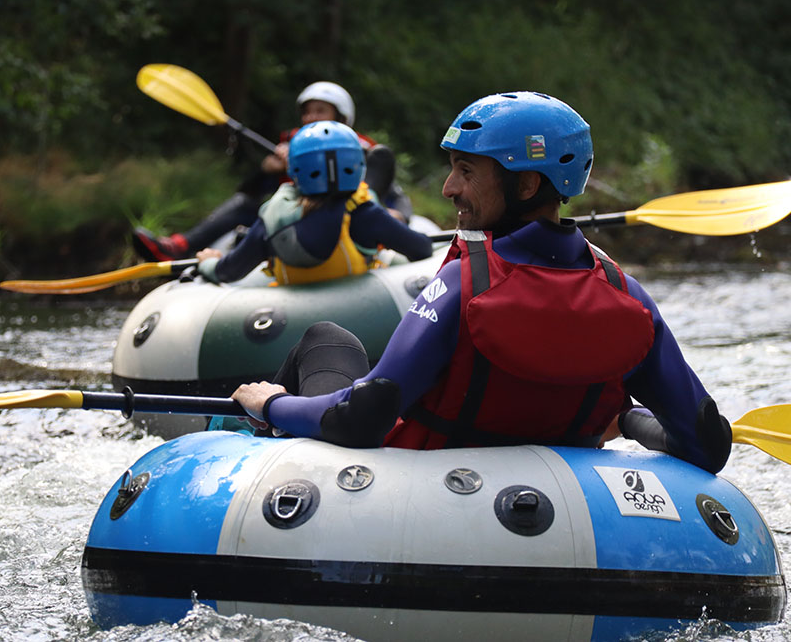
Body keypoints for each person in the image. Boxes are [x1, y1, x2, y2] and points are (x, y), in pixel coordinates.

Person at [229, 91, 733, 474]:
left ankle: (235, 434)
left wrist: (270, 402)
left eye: (466, 171)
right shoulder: (628, 295)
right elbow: (707, 442)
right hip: (569, 502)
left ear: (527, 183)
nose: (449, 188)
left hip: (417, 496)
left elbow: (362, 417)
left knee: (327, 339)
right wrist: (629, 421)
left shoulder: (462, 286)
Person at [131, 81, 413, 262]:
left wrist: (399, 215)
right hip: (295, 223)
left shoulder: (359, 149)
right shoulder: (292, 148)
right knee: (244, 205)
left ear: (341, 118)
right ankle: (180, 246)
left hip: (343, 224)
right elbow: (248, 194)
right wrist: (266, 170)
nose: (311, 118)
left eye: (320, 111)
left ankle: (238, 252)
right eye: (307, 112)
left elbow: (393, 193)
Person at [194, 120, 433, 285]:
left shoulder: (272, 218)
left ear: (296, 169)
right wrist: (389, 234)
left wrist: (209, 262)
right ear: (356, 164)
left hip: (286, 314)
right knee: (365, 202)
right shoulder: (366, 214)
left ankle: (369, 191)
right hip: (360, 301)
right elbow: (422, 248)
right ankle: (368, 191)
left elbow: (228, 271)